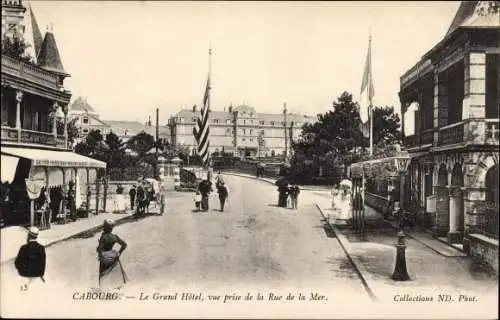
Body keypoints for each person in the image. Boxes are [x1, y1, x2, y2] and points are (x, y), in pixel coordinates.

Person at [97, 219, 128, 289]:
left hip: (105, 256)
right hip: (112, 255)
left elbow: (100, 249)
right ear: (111, 228)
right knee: (115, 271)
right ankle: (115, 285)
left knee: (103, 273)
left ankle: (104, 287)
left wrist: (98, 250)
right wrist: (119, 253)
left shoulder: (103, 237)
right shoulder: (114, 236)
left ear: (105, 228)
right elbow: (124, 245)